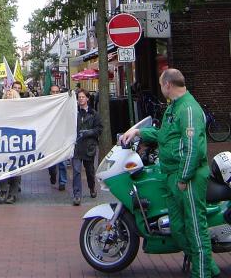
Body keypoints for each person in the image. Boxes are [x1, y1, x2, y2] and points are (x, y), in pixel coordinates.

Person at [121, 69, 220, 278]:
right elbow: (163, 134)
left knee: (195, 228)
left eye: (160, 84)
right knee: (178, 227)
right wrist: (138, 131)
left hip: (188, 177)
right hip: (172, 175)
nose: (161, 88)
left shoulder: (189, 109)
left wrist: (184, 178)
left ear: (168, 85)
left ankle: (202, 273)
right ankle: (210, 268)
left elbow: (194, 149)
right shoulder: (173, 108)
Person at [72, 88, 102, 205]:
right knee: (76, 171)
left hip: (89, 147)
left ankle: (92, 187)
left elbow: (99, 129)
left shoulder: (94, 114)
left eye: (83, 97)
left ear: (87, 99)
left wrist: (88, 132)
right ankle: (77, 195)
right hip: (77, 147)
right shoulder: (74, 113)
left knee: (89, 171)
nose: (80, 99)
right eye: (79, 97)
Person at [0, 88, 21, 203]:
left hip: (17, 141)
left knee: (16, 168)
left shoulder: (21, 109)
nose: (8, 96)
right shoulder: (0, 108)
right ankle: (3, 190)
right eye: (7, 94)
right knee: (2, 166)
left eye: (11, 94)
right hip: (3, 141)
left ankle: (13, 193)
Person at [47, 84, 68, 191]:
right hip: (50, 138)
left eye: (57, 92)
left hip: (62, 138)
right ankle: (53, 174)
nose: (55, 94)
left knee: (62, 162)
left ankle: (62, 182)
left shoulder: (64, 104)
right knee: (51, 162)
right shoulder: (46, 104)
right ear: (50, 92)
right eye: (53, 92)